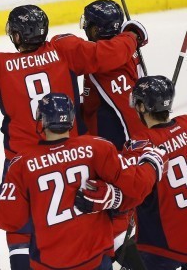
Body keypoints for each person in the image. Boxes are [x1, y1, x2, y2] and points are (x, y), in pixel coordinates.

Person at [0, 4, 147, 269]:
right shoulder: (64, 48)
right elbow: (108, 55)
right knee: (87, 217)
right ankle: (110, 255)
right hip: (75, 154)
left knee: (19, 228)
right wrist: (132, 36)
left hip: (23, 163)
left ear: (15, 36)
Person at [0, 92, 168, 270]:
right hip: (95, 260)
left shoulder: (22, 164)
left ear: (41, 121)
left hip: (49, 263)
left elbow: (10, 218)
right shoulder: (97, 147)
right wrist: (151, 163)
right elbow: (135, 186)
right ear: (70, 120)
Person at [75, 76, 187, 269]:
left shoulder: (140, 146)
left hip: (161, 245)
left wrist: (110, 196)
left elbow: (132, 191)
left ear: (142, 107)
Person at [79, 0, 150, 267]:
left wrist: (135, 150)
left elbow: (128, 115)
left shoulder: (102, 62)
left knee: (117, 219)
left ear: (97, 31)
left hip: (120, 149)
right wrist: (133, 34)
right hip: (132, 141)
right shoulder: (128, 48)